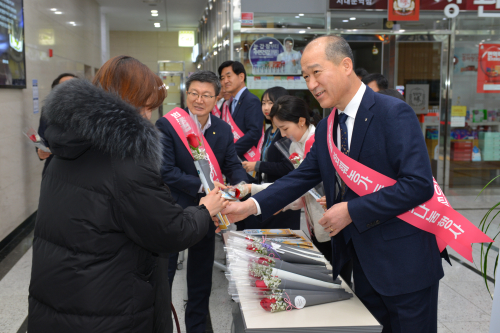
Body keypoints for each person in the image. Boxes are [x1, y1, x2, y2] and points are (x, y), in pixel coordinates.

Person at [222, 35, 444, 333]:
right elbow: (302, 176)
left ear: (346, 65)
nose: (311, 83)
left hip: (404, 265)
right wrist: (249, 205)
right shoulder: (329, 126)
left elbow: (418, 185)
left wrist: (352, 210)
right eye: (305, 76)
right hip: (362, 264)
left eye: (316, 72)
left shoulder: (393, 113)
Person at [27, 56, 227, 333]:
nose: (148, 117)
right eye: (145, 107)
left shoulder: (63, 148)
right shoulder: (126, 160)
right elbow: (170, 231)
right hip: (109, 304)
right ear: (125, 103)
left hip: (61, 295)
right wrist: (204, 209)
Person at [155, 70, 248, 333]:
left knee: (200, 279)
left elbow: (232, 164)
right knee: (164, 276)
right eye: (194, 93)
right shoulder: (167, 125)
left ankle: (198, 328)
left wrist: (241, 187)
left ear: (217, 98)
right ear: (186, 94)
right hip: (171, 210)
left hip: (208, 214)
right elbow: (166, 171)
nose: (199, 99)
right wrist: (203, 186)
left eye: (206, 95)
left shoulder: (222, 129)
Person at [248, 95, 331, 254]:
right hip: (313, 222)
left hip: (331, 220)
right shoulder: (293, 147)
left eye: (285, 128)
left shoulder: (320, 142)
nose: (283, 134)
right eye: (279, 129)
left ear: (301, 121)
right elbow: (297, 186)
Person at [241, 87, 300, 230]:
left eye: (270, 103)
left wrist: (257, 165)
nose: (266, 108)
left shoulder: (286, 133)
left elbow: (288, 167)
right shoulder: (269, 131)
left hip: (283, 198)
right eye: (263, 103)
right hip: (266, 193)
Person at [217, 61, 264, 160]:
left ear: (241, 77)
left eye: (229, 76)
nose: (225, 81)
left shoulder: (251, 100)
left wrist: (231, 151)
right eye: (222, 78)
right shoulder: (228, 103)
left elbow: (254, 132)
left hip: (245, 160)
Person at [37, 73, 77, 175]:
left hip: (82, 172)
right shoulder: (47, 111)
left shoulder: (90, 113)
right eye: (64, 86)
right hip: (53, 170)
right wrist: (40, 150)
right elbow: (41, 137)